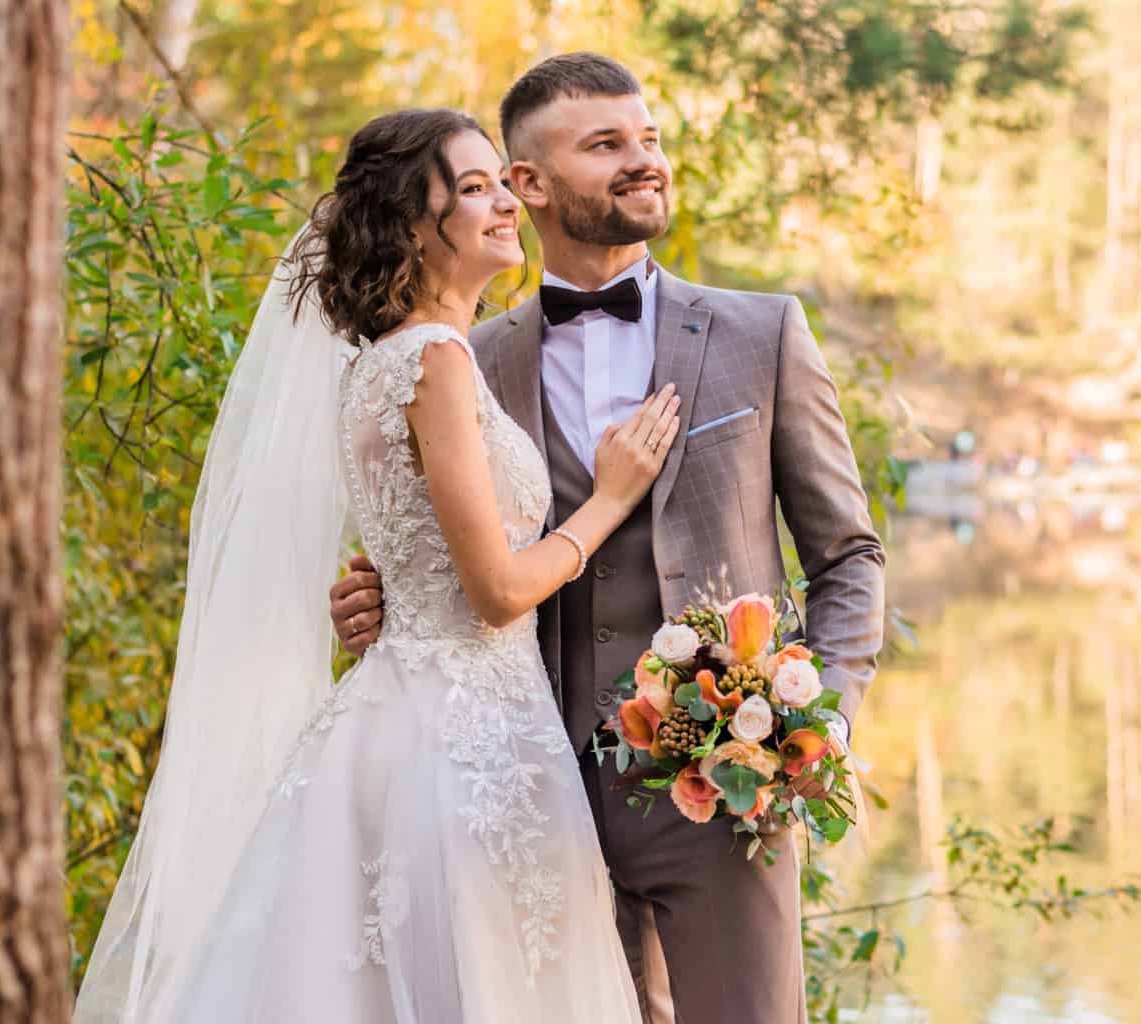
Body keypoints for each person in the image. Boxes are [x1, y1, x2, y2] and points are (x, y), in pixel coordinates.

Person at [74, 109, 672, 1022]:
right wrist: (610, 498)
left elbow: (418, 552)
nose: (504, 203)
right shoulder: (434, 360)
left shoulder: (385, 364)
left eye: (498, 182)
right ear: (408, 225)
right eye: (472, 189)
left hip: (417, 716)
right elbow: (496, 592)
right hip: (463, 742)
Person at [331, 53, 886, 1024]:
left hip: (721, 790)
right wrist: (379, 594)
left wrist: (819, 721)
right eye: (606, 145)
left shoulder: (764, 335)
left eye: (649, 140)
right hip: (524, 789)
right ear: (528, 185)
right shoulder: (465, 353)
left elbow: (847, 557)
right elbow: (449, 540)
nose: (643, 161)